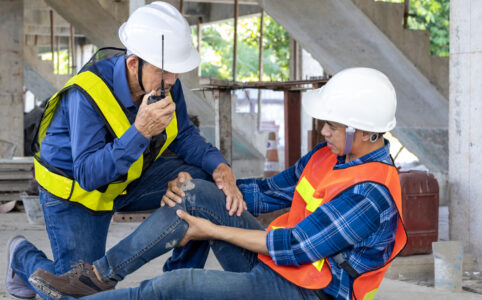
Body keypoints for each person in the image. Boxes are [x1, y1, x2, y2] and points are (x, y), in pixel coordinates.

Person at [27, 67, 408, 300]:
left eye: (333, 126)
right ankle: (98, 277)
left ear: (365, 132)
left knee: (172, 290)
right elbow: (269, 193)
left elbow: (293, 247)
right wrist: (213, 181)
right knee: (194, 189)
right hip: (282, 267)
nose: (323, 131)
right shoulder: (330, 155)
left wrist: (213, 230)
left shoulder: (369, 193)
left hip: (309, 291)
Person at [5, 2, 244, 299]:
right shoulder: (86, 94)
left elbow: (183, 134)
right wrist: (140, 131)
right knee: (80, 293)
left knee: (201, 187)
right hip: (77, 192)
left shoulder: (164, 84)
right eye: (164, 71)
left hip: (127, 178)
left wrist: (220, 166)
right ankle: (21, 256)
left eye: (176, 72)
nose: (172, 80)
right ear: (134, 64)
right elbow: (89, 174)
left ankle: (176, 282)